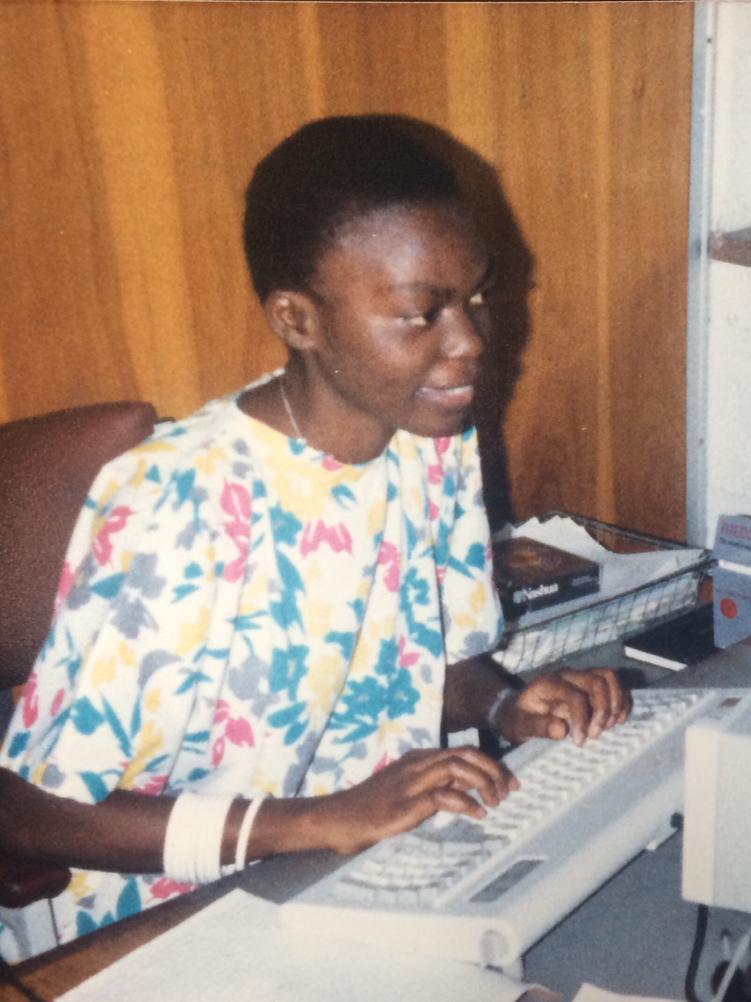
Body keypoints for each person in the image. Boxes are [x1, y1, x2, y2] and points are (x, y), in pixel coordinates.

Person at [0, 115, 630, 962]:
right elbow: (34, 811)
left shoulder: (429, 437)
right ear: (298, 320)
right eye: (420, 314)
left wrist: (505, 703)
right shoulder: (181, 502)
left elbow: (418, 657)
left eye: (476, 295)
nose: (470, 341)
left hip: (360, 870)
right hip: (167, 919)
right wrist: (321, 821)